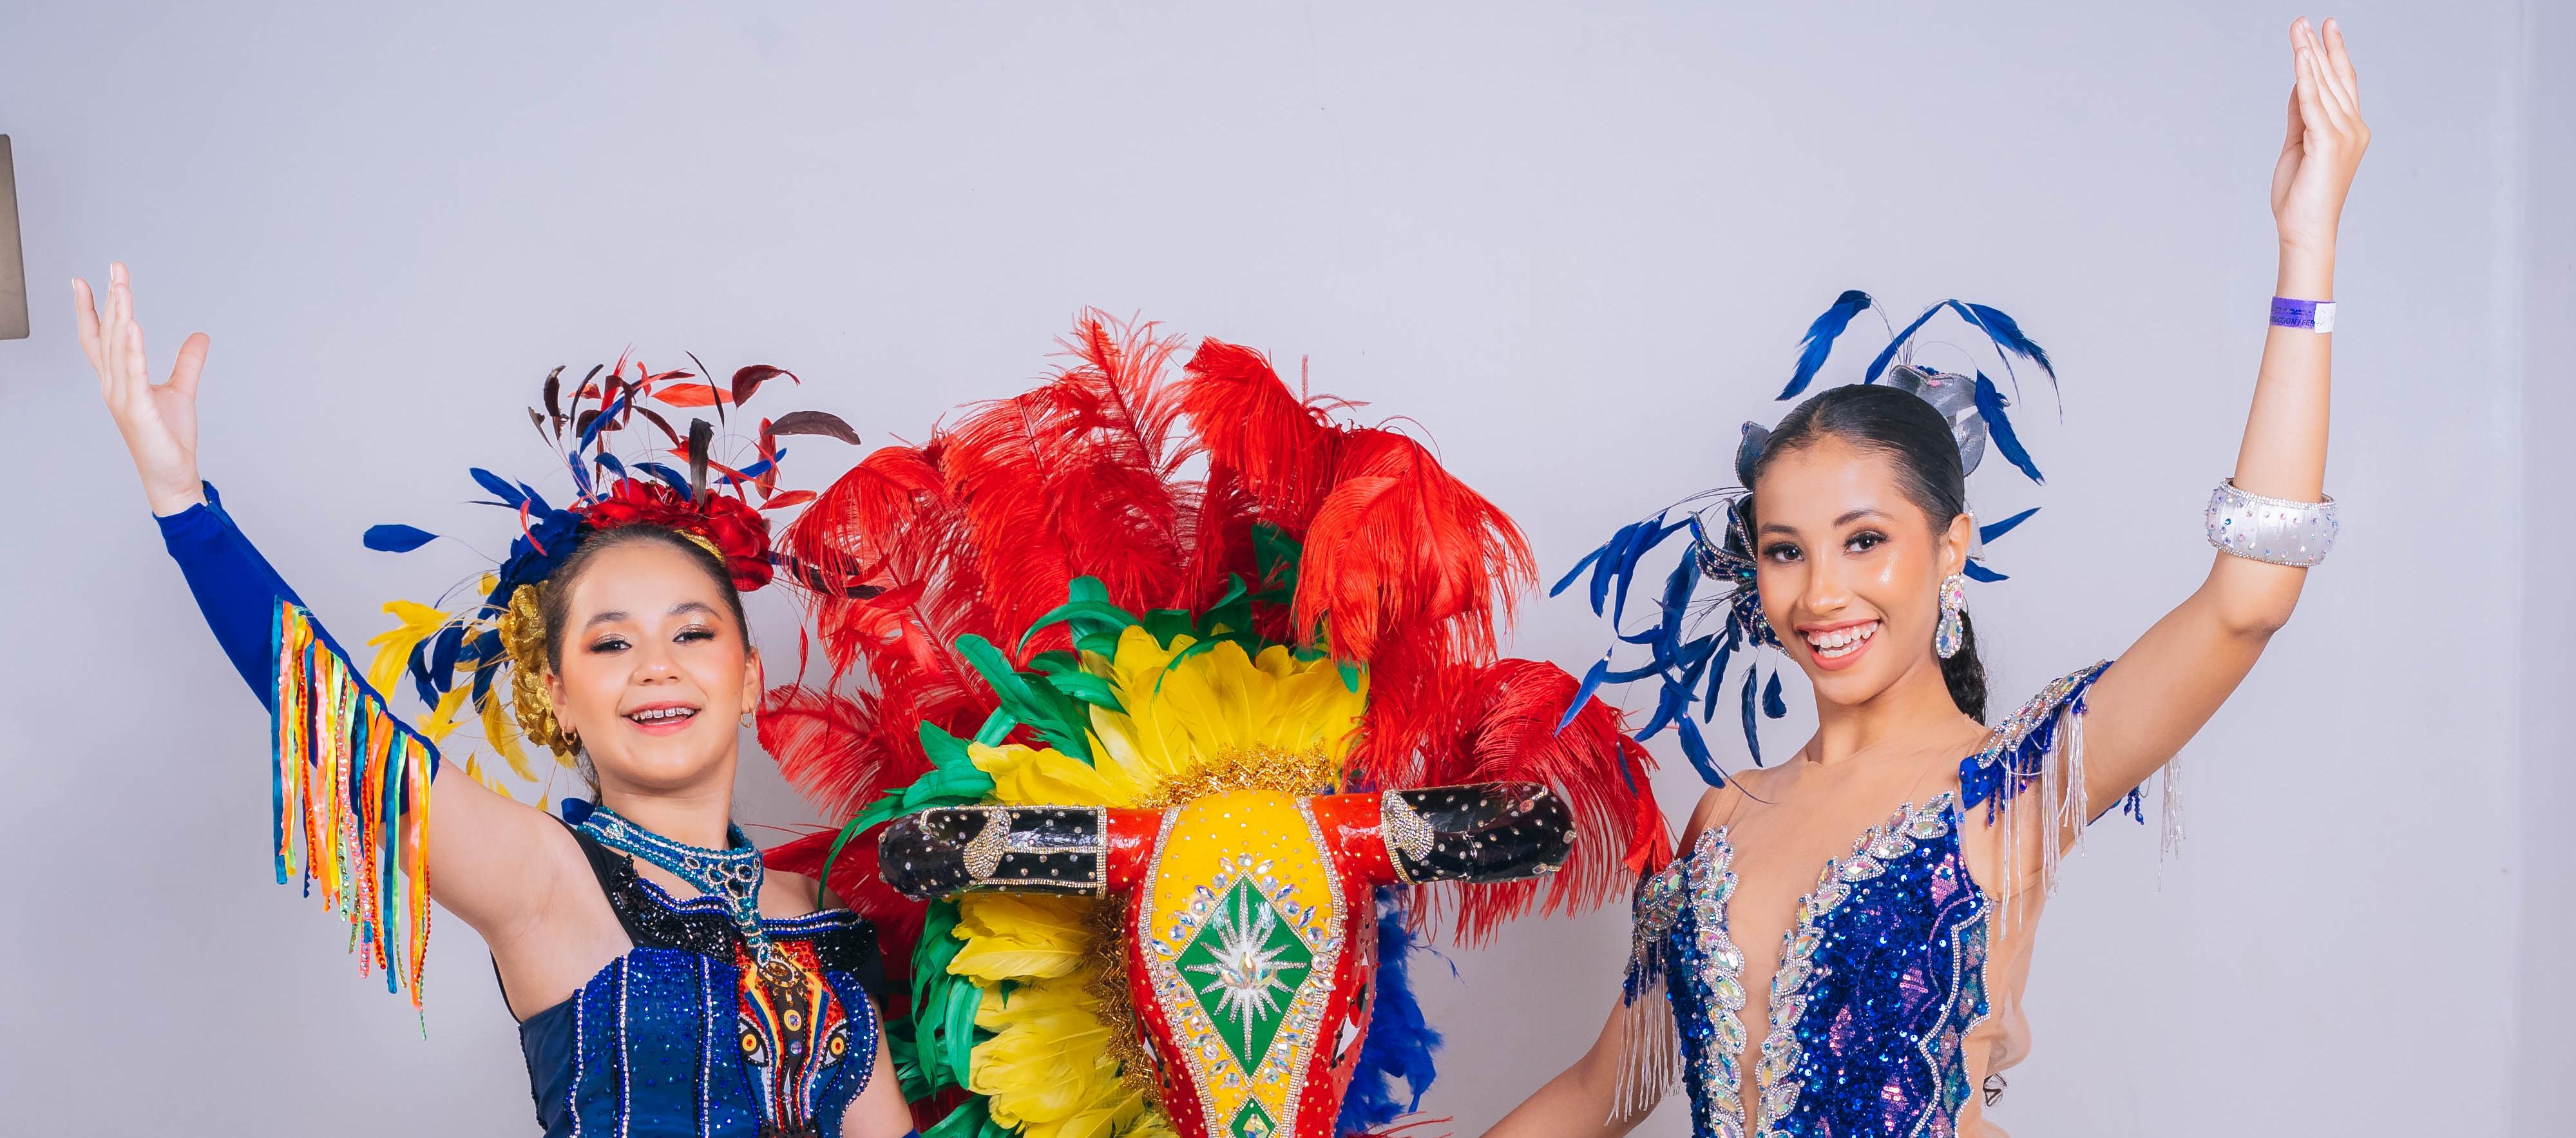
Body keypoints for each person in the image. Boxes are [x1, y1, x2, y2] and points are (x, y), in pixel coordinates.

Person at [1487, 16, 2367, 1138]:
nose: (1822, 593)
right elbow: (1598, 1093)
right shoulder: (1724, 815)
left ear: (1951, 549)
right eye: (1787, 549)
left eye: (1865, 540)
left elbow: (2247, 604)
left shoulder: (2009, 786)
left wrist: (2307, 248)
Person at [75, 266, 915, 1138]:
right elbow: (340, 723)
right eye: (611, 643)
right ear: (559, 696)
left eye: (693, 633)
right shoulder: (547, 878)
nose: (655, 666)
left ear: (748, 679)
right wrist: (186, 509)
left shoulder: (826, 914)